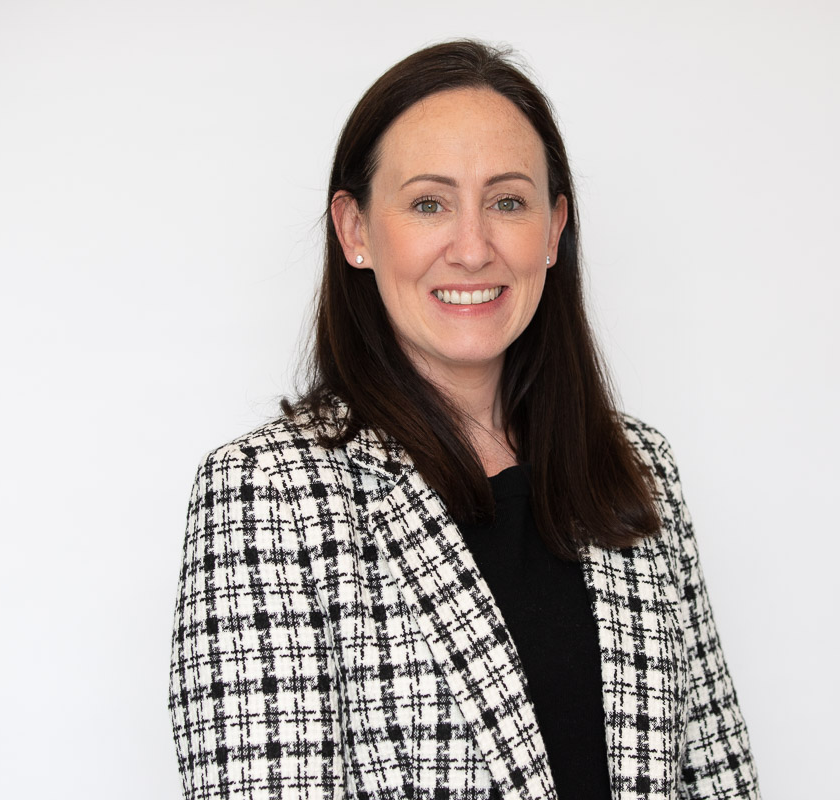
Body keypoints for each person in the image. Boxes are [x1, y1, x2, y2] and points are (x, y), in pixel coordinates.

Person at [169, 40, 759, 800]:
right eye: (429, 204)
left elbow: (718, 777)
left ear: (554, 229)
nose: (474, 249)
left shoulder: (636, 468)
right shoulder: (266, 495)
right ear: (355, 231)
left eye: (508, 202)